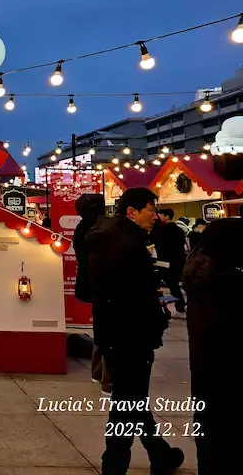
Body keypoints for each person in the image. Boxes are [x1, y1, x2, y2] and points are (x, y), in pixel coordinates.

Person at [86, 187, 184, 475]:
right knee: (127, 400)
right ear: (131, 211)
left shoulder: (105, 238)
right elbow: (135, 295)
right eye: (150, 209)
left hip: (113, 331)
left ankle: (159, 454)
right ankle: (114, 463)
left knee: (132, 396)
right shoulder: (128, 245)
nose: (155, 215)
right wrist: (156, 317)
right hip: (132, 333)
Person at [182, 218, 237, 473]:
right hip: (226, 364)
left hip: (203, 363)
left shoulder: (199, 271)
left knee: (206, 422)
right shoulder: (226, 279)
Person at [72, 193, 111, 395]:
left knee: (101, 326)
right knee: (109, 329)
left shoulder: (81, 228)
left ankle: (98, 372)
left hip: (90, 282)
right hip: (105, 283)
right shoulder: (103, 228)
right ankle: (106, 378)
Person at [153, 208, 187, 318]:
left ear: (167, 216)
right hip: (178, 261)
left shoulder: (166, 229)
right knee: (173, 285)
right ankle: (180, 306)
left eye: (160, 215)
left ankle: (180, 308)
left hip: (167, 262)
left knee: (172, 286)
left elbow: (161, 245)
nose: (158, 217)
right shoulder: (178, 229)